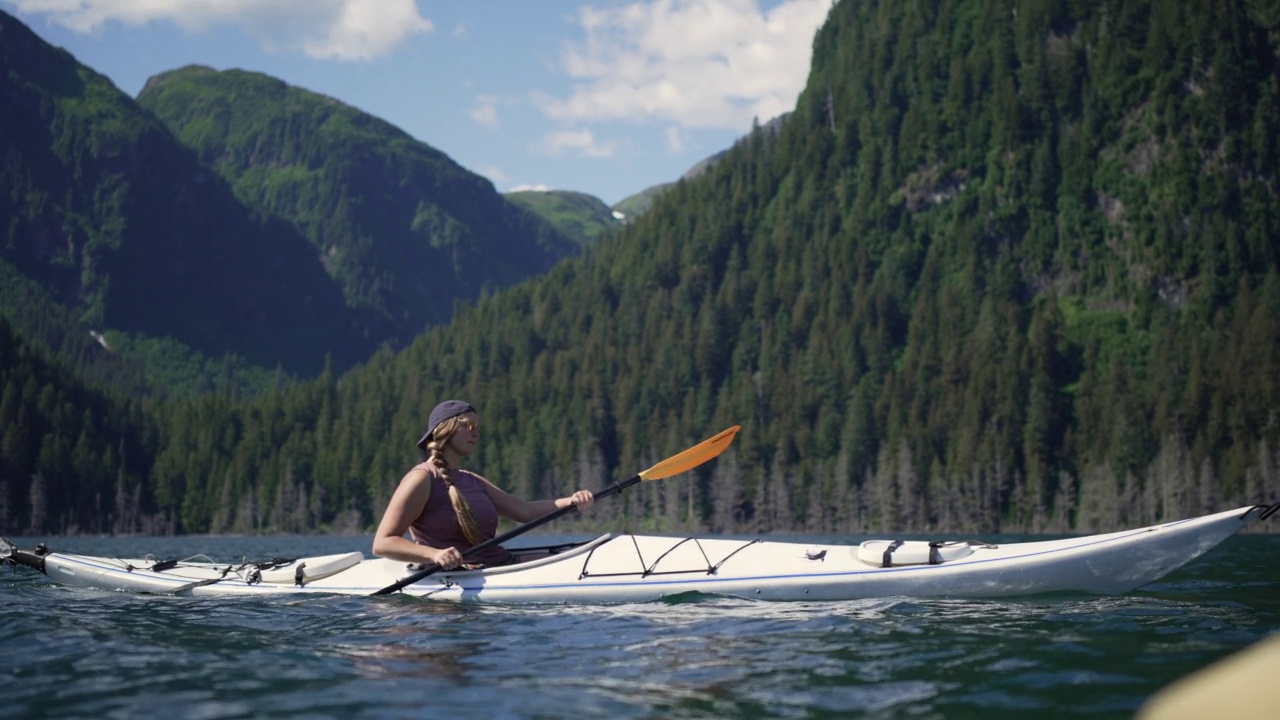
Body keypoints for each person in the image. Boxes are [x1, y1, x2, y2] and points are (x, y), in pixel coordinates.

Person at [373, 400, 594, 570]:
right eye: (468, 425)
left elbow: (525, 511)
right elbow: (383, 543)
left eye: (478, 427)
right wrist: (435, 555)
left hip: (498, 565)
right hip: (460, 576)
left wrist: (572, 502)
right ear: (445, 429)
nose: (476, 432)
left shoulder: (471, 480)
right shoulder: (421, 479)